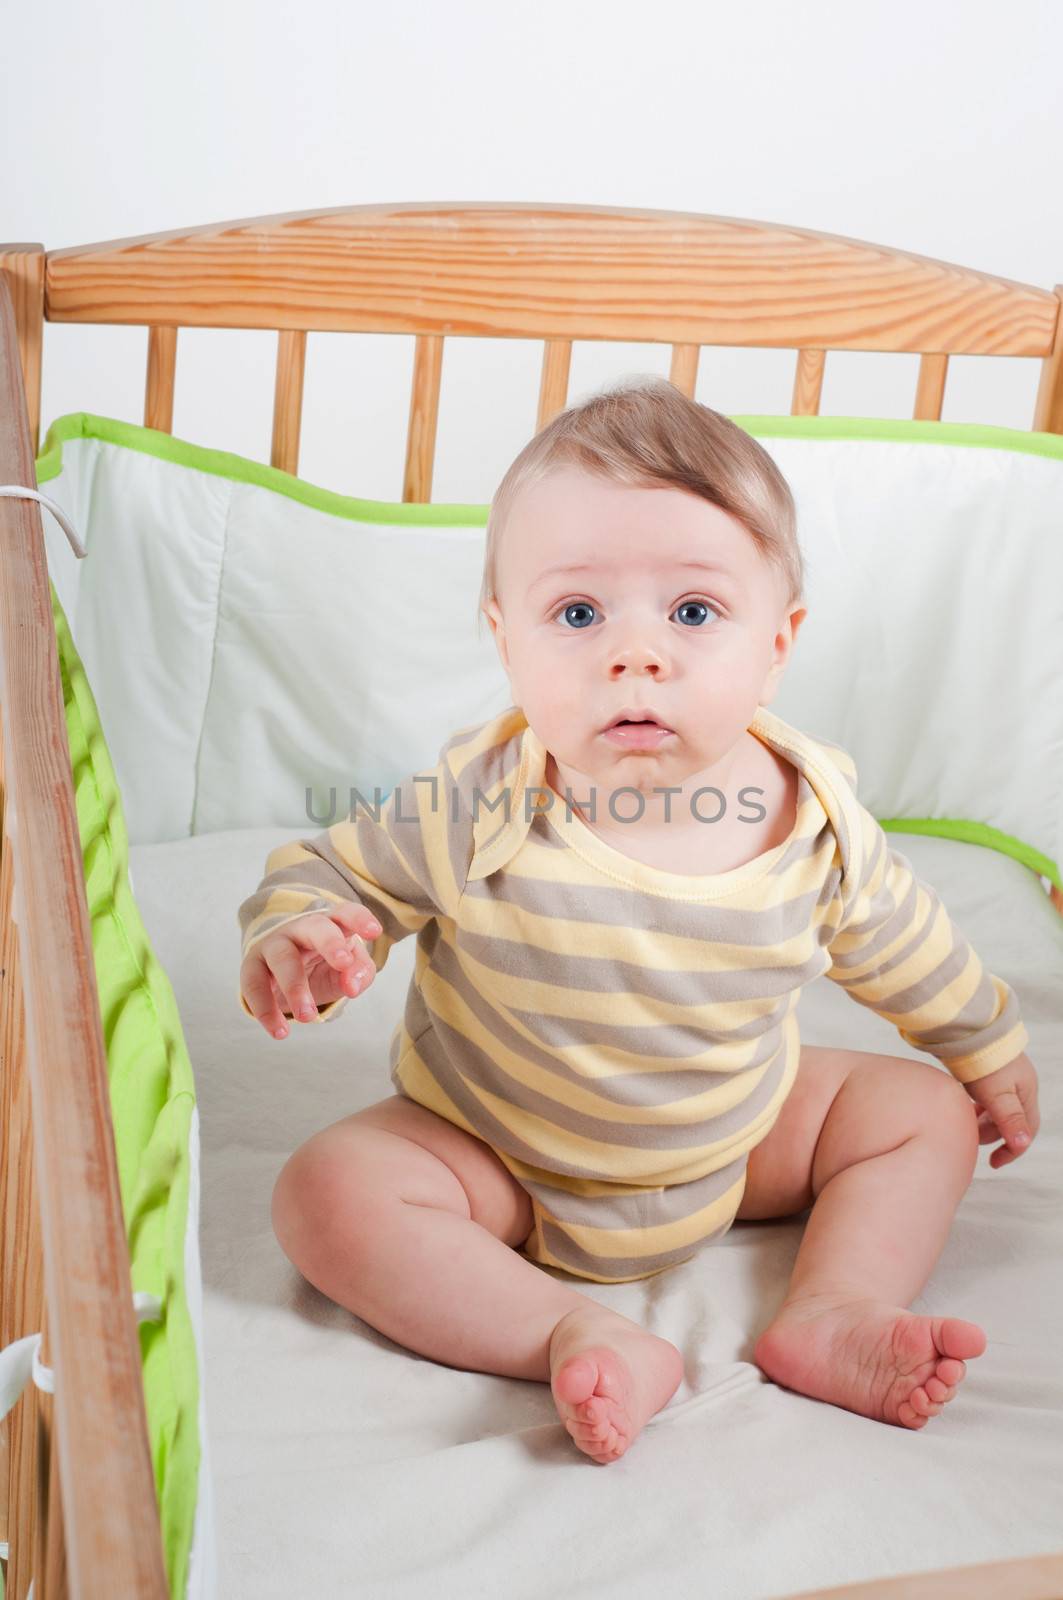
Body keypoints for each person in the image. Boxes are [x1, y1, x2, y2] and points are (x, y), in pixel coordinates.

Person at [237, 378, 1041, 1466]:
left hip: (733, 1143)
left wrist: (981, 1044)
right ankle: (564, 1328)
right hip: (495, 1152)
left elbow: (910, 945)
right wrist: (308, 933)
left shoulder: (818, 825)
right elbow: (343, 871)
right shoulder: (482, 800)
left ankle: (834, 1308)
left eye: (694, 612)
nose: (635, 654)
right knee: (326, 1194)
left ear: (778, 640)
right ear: (504, 638)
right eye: (577, 614)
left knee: (924, 1115)